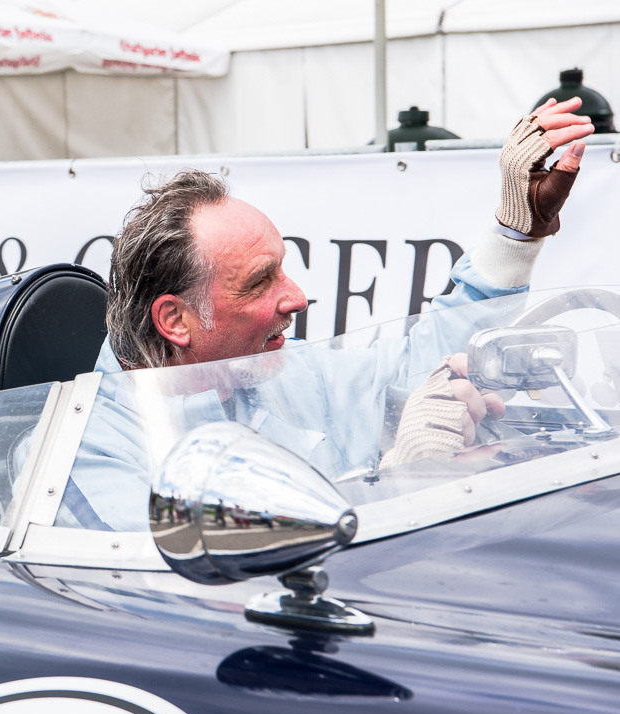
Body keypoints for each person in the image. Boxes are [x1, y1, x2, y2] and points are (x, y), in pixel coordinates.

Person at [65, 97, 594, 530]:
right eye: (259, 282)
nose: (296, 298)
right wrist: (401, 482)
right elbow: (196, 598)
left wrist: (517, 229)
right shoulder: (88, 452)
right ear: (175, 320)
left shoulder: (289, 371)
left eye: (283, 271)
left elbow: (426, 357)